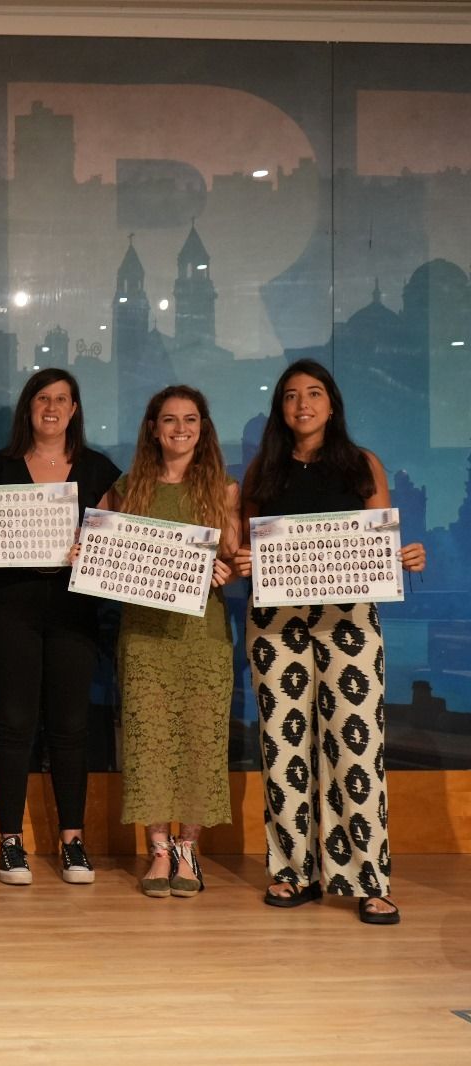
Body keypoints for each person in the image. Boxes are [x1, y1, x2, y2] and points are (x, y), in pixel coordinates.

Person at [232, 359, 426, 924]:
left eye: (313, 393)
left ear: (332, 403)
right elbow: (246, 547)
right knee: (282, 745)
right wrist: (242, 560)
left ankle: (369, 878)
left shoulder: (362, 463)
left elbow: (379, 538)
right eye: (291, 396)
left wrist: (404, 555)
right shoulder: (263, 470)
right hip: (275, 622)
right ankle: (292, 871)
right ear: (281, 409)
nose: (303, 405)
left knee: (356, 743)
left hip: (350, 619)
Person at [0, 369, 120, 887]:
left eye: (63, 399)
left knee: (70, 727)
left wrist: (95, 550)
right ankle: (10, 843)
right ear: (28, 408)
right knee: (14, 724)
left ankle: (72, 842)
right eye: (43, 398)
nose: (52, 407)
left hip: (74, 608)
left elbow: (116, 544)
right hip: (11, 607)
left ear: (75, 409)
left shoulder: (100, 471)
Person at [98, 385, 237, 899]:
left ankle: (188, 851)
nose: (180, 428)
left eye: (191, 420)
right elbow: (95, 546)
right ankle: (158, 850)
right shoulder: (126, 487)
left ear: (203, 429)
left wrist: (229, 570)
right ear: (153, 428)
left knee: (200, 741)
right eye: (170, 420)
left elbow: (237, 558)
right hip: (145, 637)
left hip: (203, 638)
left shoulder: (223, 489)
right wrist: (82, 549)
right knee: (148, 743)